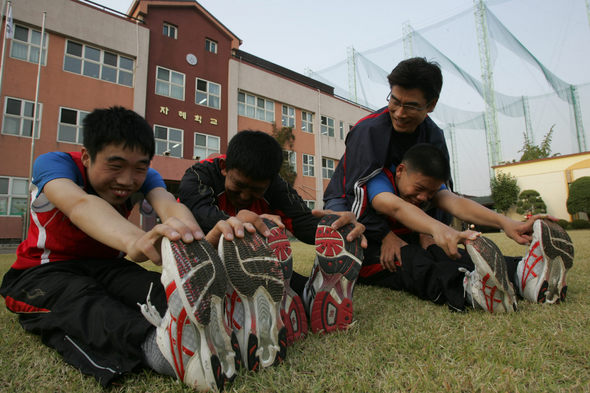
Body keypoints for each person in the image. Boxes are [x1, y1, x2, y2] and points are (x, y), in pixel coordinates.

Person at [0, 107, 275, 391]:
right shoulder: (54, 165)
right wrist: (135, 240)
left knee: (160, 291)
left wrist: (199, 242)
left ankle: (235, 325)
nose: (127, 180)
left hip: (108, 267)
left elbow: (169, 205)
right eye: (115, 165)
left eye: (139, 168)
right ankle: (160, 351)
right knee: (90, 306)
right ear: (86, 156)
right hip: (43, 272)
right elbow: (79, 205)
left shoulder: (148, 178)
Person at [178, 130, 366, 343]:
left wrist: (336, 228)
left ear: (269, 182)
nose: (244, 196)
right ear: (223, 168)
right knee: (245, 239)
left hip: (259, 264)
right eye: (238, 186)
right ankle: (261, 303)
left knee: (283, 278)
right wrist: (243, 220)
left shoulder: (275, 187)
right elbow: (200, 216)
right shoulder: (197, 177)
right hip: (203, 259)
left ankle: (306, 298)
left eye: (256, 190)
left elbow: (301, 223)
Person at [361, 143, 575, 312]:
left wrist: (506, 222)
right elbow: (394, 207)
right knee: (415, 261)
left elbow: (455, 202)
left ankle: (523, 274)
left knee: (447, 253)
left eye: (430, 193)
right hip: (374, 251)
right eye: (419, 189)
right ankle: (470, 292)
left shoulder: (425, 183)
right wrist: (436, 230)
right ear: (400, 171)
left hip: (412, 240)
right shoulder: (379, 178)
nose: (423, 198)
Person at [324, 57, 451, 272]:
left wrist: (427, 232)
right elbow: (356, 196)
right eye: (395, 101)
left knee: (433, 253)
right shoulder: (368, 132)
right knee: (345, 233)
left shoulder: (434, 136)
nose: (400, 113)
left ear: (431, 105)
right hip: (350, 201)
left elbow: (441, 191)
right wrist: (385, 235)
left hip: (400, 208)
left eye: (410, 106)